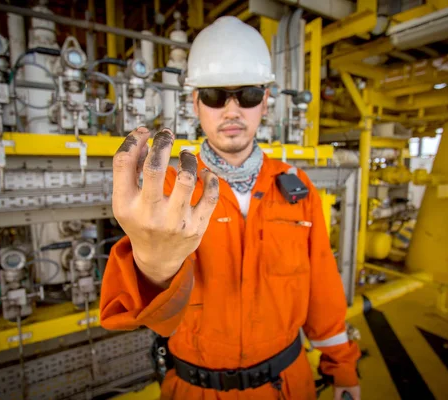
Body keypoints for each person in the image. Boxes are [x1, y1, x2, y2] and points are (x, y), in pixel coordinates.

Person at [100, 16, 361, 400]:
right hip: (196, 390)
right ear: (195, 103)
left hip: (287, 386)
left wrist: (342, 368)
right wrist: (153, 270)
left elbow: (322, 287)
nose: (232, 110)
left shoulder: (296, 187)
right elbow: (150, 316)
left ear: (266, 101)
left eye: (249, 95)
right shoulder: (169, 190)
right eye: (215, 96)